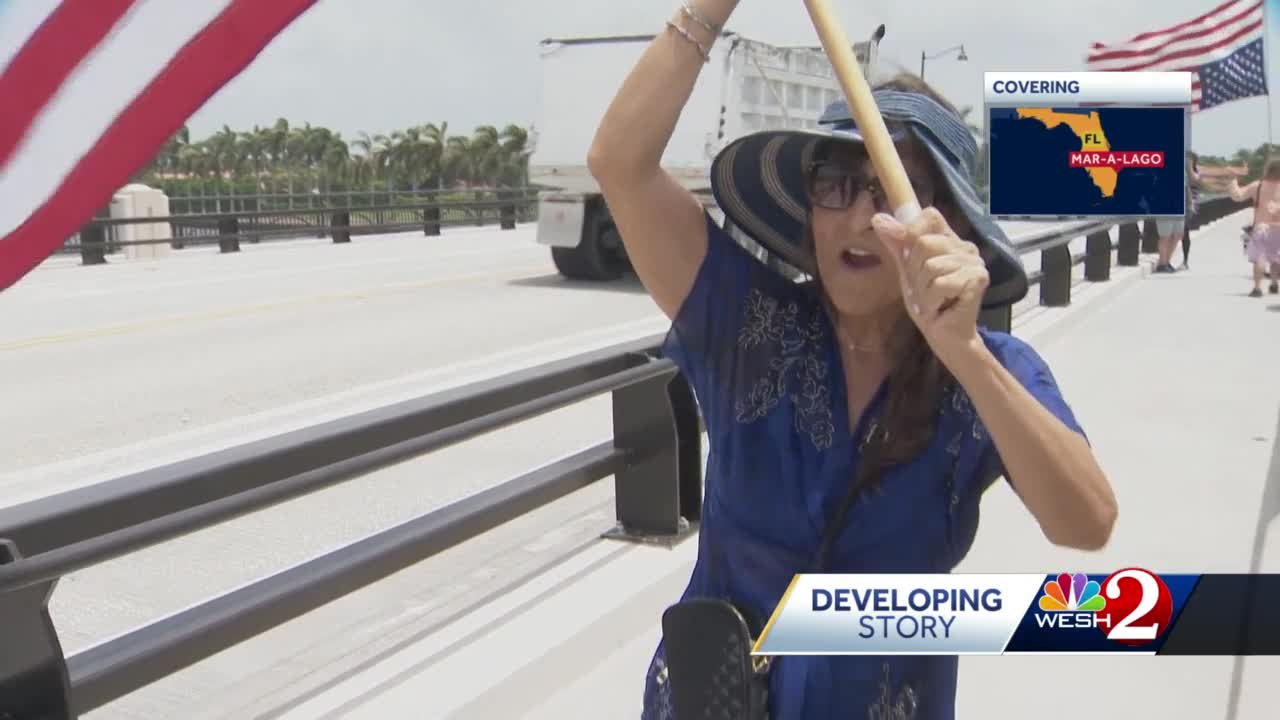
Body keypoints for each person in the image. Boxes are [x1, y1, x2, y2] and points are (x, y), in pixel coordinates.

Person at [587, 2, 1118, 717]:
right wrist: (709, 9)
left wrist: (962, 351)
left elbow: (1087, 522)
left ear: (951, 226)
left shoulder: (991, 370)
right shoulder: (748, 326)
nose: (861, 216)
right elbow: (619, 164)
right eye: (835, 183)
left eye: (896, 190)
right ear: (808, 211)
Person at [1229, 161, 1280, 297]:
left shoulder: (1258, 186)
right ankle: (1274, 283)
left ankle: (1257, 288)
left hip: (1262, 228)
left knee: (1260, 257)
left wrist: (1233, 180)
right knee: (1276, 257)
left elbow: (1238, 196)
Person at [1181, 152, 1199, 270]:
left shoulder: (1196, 171)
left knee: (1185, 231)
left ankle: (1185, 260)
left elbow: (1194, 180)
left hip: (1190, 203)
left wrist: (1189, 166)